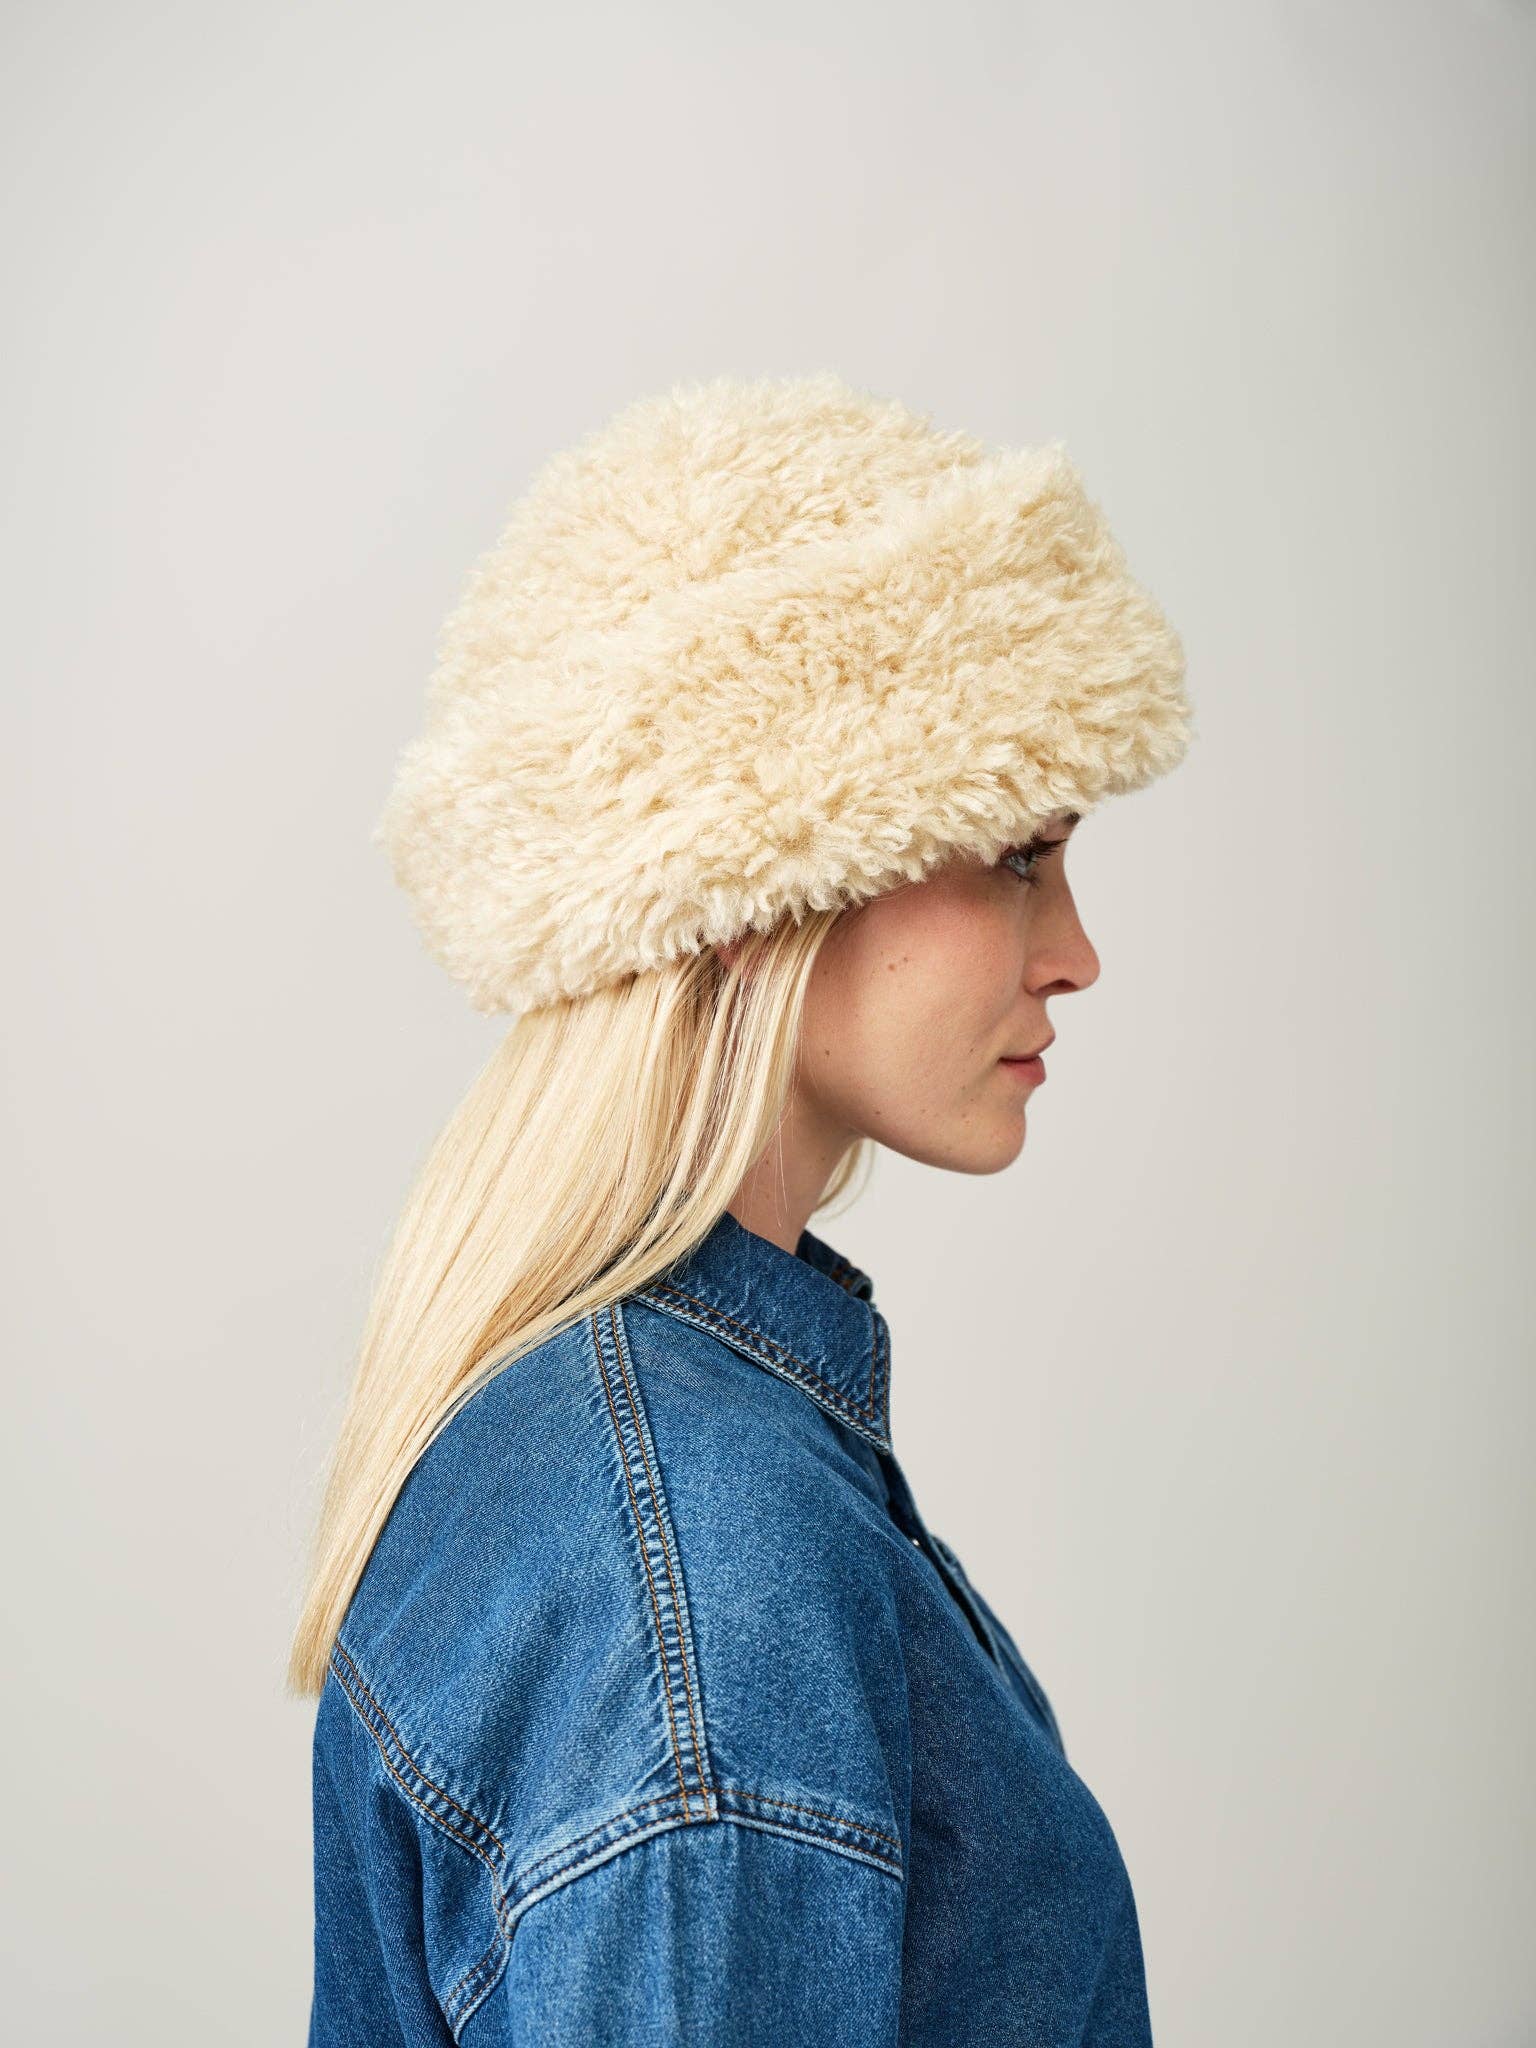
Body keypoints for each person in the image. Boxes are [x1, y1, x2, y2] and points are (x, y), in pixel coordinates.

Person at [290, 370, 1194, 2044]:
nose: (1073, 953)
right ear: (750, 889)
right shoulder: (693, 1562)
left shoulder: (604, 1448)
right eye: (1017, 854)